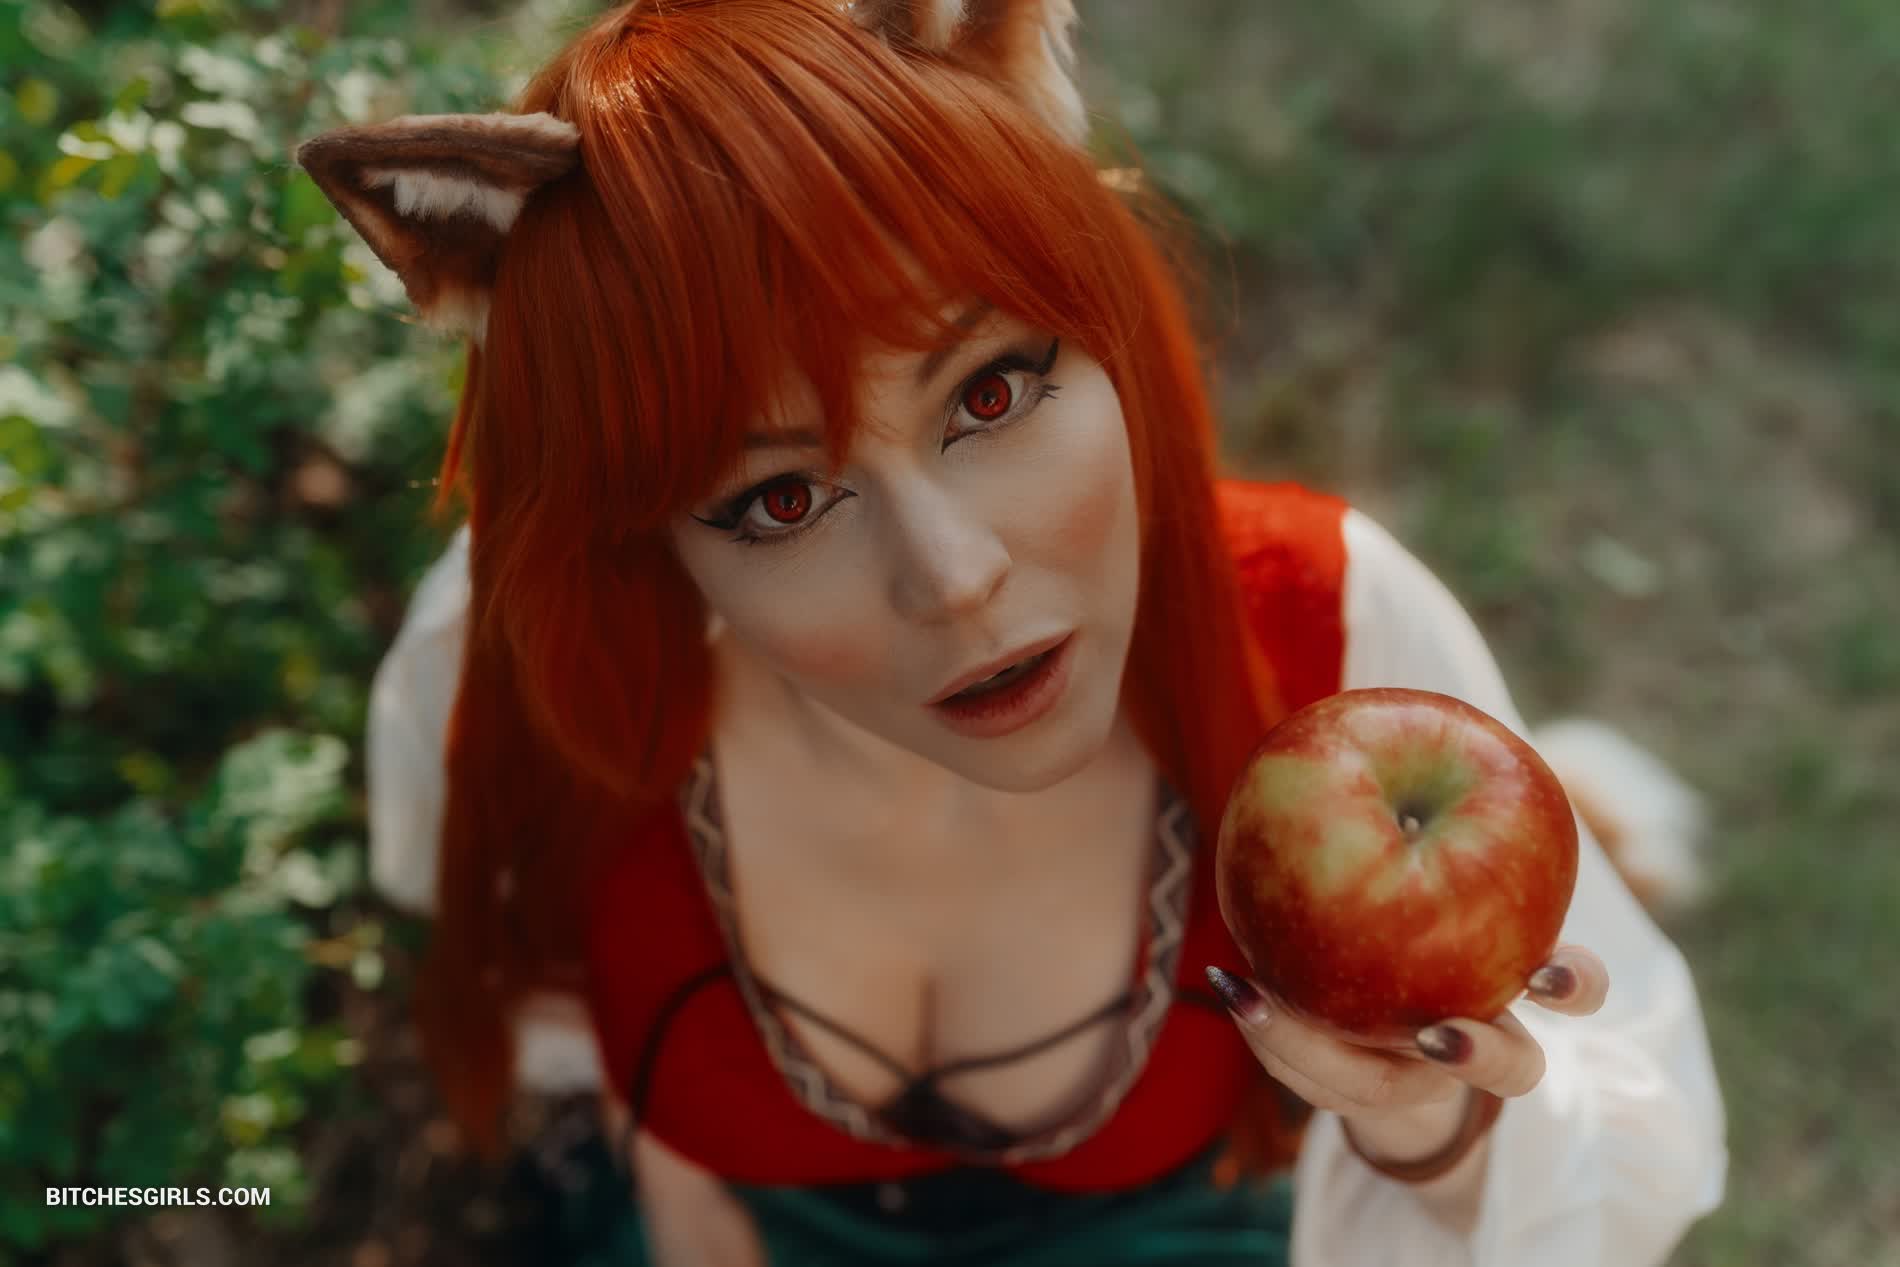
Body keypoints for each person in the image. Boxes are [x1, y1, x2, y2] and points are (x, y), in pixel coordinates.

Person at [298, 1, 1728, 1262]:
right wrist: (667, 1167)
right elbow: (529, 966)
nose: (955, 576)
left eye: (989, 394)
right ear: (644, 536)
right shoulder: (534, 663)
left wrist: (1433, 1130)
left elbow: (1626, 1133)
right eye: (781, 499)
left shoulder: (1323, 628)